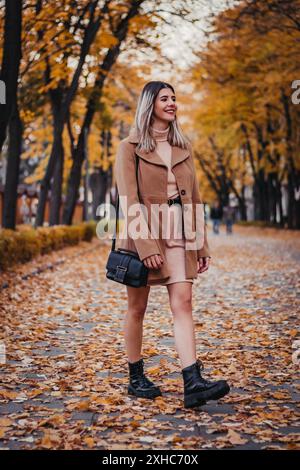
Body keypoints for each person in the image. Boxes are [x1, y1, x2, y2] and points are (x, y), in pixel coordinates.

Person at [114, 81, 230, 409]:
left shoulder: (183, 146)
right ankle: (136, 377)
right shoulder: (129, 147)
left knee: (184, 302)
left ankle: (192, 381)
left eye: (174, 98)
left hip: (179, 233)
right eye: (164, 98)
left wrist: (201, 246)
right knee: (137, 307)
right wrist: (147, 245)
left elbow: (193, 198)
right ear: (149, 104)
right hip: (143, 237)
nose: (172, 103)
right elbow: (128, 199)